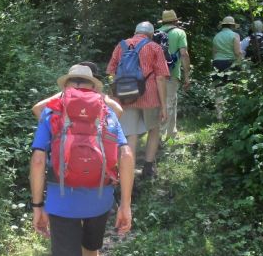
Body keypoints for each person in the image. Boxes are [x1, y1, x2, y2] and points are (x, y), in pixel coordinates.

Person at [30, 64, 134, 256]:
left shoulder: (53, 111)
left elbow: (37, 159)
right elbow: (126, 155)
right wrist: (125, 205)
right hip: (100, 199)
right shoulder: (106, 111)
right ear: (93, 86)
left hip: (62, 201)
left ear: (66, 85)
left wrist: (37, 205)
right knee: (91, 253)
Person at [106, 21, 169, 179]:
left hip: (126, 96)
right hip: (151, 97)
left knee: (131, 134)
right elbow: (160, 78)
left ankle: (127, 172)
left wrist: (116, 96)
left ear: (135, 32)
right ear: (151, 34)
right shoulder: (155, 47)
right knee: (154, 130)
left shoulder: (121, 46)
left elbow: (111, 72)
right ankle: (148, 168)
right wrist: (164, 105)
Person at [32, 61, 123, 119]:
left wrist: (49, 129)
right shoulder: (100, 95)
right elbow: (118, 110)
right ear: (93, 81)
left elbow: (37, 108)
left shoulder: (64, 93)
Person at [156, 10, 191, 142]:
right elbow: (184, 54)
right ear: (175, 21)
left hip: (156, 74)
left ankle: (172, 133)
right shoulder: (179, 32)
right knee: (168, 103)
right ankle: (159, 137)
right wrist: (187, 75)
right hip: (172, 73)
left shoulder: (155, 33)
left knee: (171, 101)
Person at [211, 16, 243, 119]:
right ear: (232, 26)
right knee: (235, 88)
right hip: (230, 63)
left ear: (223, 25)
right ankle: (234, 113)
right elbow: (237, 52)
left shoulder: (216, 36)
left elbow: (214, 52)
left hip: (217, 63)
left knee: (219, 89)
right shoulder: (235, 35)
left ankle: (220, 116)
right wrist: (240, 65)